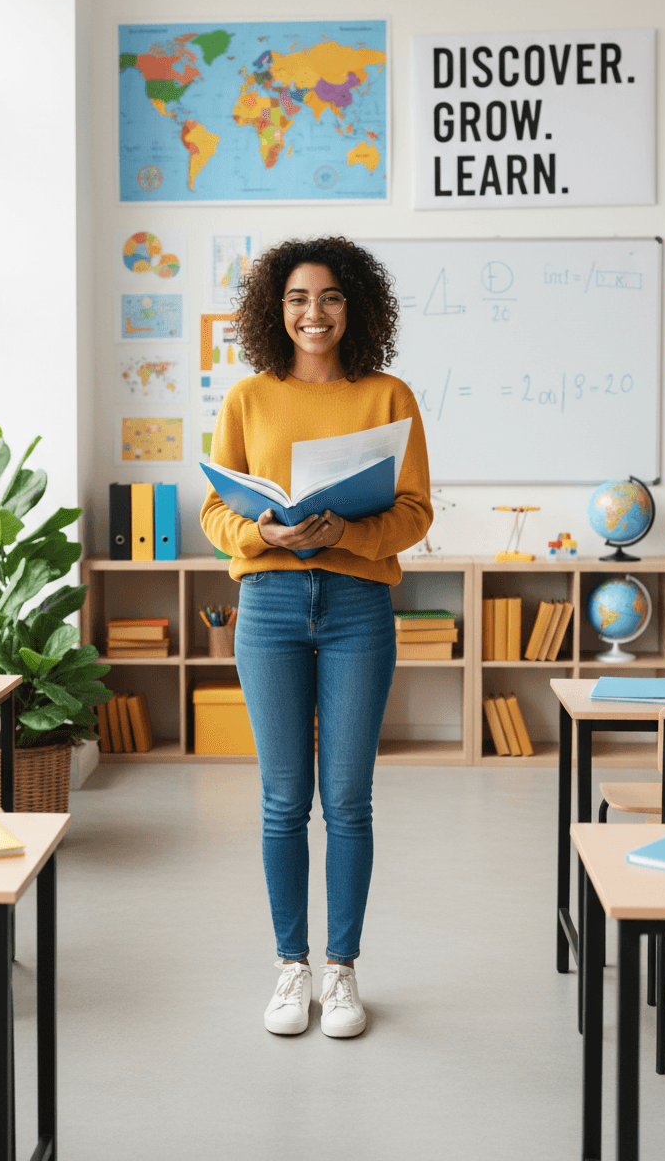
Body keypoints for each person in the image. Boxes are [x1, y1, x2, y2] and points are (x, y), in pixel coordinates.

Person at [200, 236, 432, 1038]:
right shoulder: (247, 399)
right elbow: (214, 512)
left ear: (354, 306)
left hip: (357, 608)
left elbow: (414, 511)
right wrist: (261, 531)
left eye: (330, 297)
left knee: (348, 801)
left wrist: (343, 531)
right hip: (266, 607)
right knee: (281, 800)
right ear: (277, 309)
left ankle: (342, 973)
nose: (314, 313)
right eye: (299, 298)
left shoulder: (389, 396)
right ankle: (289, 968)